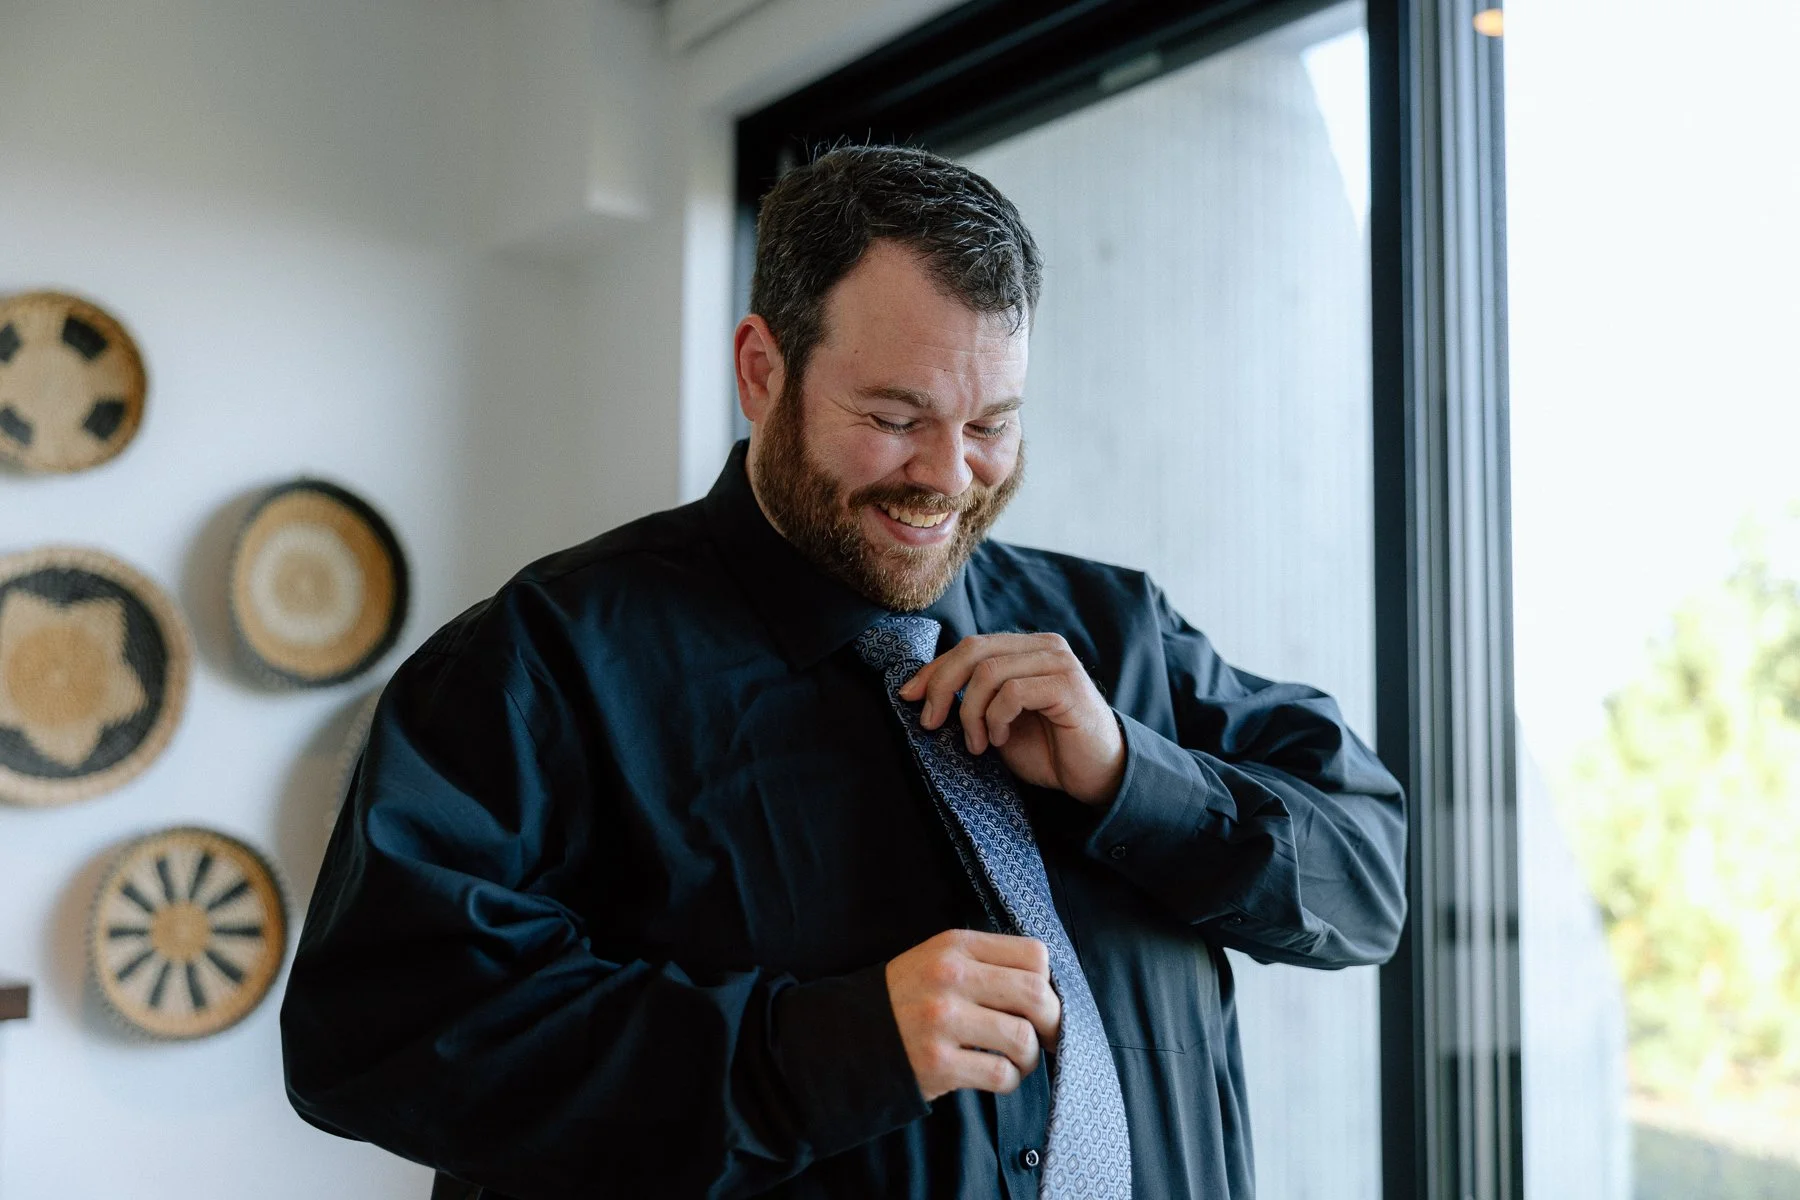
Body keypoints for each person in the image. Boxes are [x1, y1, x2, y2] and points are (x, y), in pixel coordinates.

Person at [280, 145, 1407, 1200]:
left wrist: (1133, 779)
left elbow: (1367, 886)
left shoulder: (1119, 636)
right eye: (895, 417)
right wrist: (817, 1050)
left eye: (993, 425)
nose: (950, 477)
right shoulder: (541, 663)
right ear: (762, 371)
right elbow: (372, 1033)